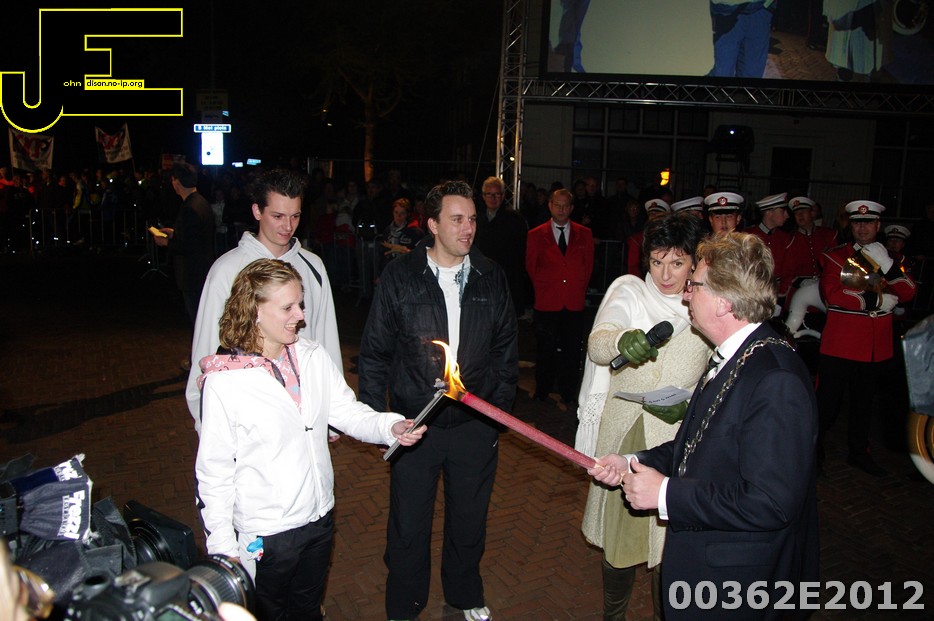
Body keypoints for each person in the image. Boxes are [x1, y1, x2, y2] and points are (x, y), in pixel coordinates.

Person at [590, 232, 820, 620]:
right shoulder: (734, 356)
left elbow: (771, 503)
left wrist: (666, 494)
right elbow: (696, 445)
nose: (685, 295)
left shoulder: (775, 379)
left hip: (739, 585)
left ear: (725, 301)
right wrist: (632, 461)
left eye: (694, 285)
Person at [195, 258, 426, 621]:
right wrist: (225, 551)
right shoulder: (225, 382)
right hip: (266, 533)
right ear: (254, 311)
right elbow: (214, 473)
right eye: (288, 307)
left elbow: (346, 411)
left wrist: (389, 427)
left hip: (318, 518)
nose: (300, 316)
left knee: (307, 610)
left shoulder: (312, 356)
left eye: (300, 304)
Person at [357, 180, 518, 621]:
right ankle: (405, 604)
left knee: (469, 520)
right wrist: (376, 421)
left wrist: (496, 414)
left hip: (474, 425)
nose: (468, 228)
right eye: (457, 219)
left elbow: (506, 351)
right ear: (432, 224)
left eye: (472, 219)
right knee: (408, 524)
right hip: (414, 426)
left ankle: (464, 595)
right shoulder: (401, 275)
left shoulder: (490, 275)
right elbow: (374, 353)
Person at [575, 212, 711, 621]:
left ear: (694, 263)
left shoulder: (707, 303)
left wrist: (692, 405)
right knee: (621, 536)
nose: (665, 275)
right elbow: (599, 342)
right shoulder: (629, 290)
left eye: (677, 262)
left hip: (678, 440)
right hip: (627, 436)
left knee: (671, 542)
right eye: (656, 261)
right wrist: (622, 339)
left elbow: (719, 371)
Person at [185, 168, 340, 435]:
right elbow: (207, 347)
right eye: (277, 216)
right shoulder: (227, 270)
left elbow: (326, 338)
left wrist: (332, 414)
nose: (288, 226)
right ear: (257, 211)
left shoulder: (313, 266)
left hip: (304, 411)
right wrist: (206, 422)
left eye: (295, 216)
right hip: (248, 414)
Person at [817, 200, 917, 476]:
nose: (862, 228)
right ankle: (813, 452)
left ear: (878, 225)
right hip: (841, 343)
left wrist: (887, 265)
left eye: (868, 222)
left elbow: (908, 293)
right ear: (851, 225)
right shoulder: (836, 256)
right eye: (857, 222)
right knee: (827, 404)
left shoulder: (891, 258)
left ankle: (859, 452)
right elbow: (833, 293)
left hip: (874, 346)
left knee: (863, 405)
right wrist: (875, 301)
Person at [526, 188, 594, 406]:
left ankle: (568, 392)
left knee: (571, 351)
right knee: (545, 349)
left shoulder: (585, 234)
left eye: (566, 206)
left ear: (572, 208)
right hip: (547, 301)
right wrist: (546, 287)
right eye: (558, 205)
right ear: (550, 206)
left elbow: (588, 267)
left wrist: (576, 288)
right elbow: (531, 267)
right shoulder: (535, 234)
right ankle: (542, 390)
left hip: (573, 302)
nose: (561, 209)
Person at [153, 163, 215, 325]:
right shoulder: (200, 202)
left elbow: (189, 246)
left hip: (193, 273)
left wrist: (166, 242)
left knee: (198, 320)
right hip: (201, 270)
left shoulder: (190, 207)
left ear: (177, 182)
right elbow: (196, 235)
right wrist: (174, 233)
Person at [783, 196, 838, 338]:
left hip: (825, 293)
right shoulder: (789, 240)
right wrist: (799, 281)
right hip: (798, 295)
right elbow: (786, 272)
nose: (800, 216)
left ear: (812, 213)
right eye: (796, 213)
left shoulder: (829, 235)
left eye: (803, 212)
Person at [473, 176, 529, 316]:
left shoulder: (515, 220)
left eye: (497, 194)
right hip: (481, 279)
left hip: (507, 279)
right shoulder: (475, 220)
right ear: (483, 196)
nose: (493, 198)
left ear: (503, 196)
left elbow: (521, 253)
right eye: (489, 194)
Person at [744, 192, 791, 306]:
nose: (787, 215)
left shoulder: (786, 238)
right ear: (769, 212)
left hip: (777, 294)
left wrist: (780, 293)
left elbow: (789, 271)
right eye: (782, 211)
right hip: (750, 294)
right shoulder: (748, 236)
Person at [709, 0, 774, 78]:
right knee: (722, 73)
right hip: (726, 13)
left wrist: (767, 4)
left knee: (752, 74)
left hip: (759, 12)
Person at [625, 199, 670, 278]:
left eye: (657, 215)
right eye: (651, 215)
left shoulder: (673, 238)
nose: (653, 218)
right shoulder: (638, 240)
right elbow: (633, 267)